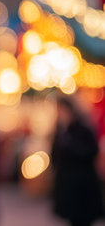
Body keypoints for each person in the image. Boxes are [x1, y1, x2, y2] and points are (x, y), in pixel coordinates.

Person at [51, 96, 104, 226]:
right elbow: (54, 155)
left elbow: (91, 151)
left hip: (83, 186)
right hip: (67, 185)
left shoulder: (83, 130)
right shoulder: (60, 131)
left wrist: (69, 143)